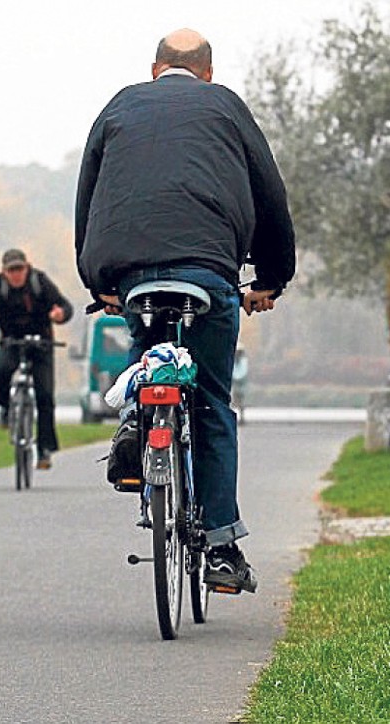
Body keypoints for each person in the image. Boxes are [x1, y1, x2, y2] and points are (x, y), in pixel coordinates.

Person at [74, 29, 295, 593]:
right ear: (208, 73)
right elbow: (269, 194)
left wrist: (98, 278)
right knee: (213, 401)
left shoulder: (119, 106)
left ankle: (135, 425)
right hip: (208, 274)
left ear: (155, 70)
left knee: (149, 358)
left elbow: (90, 193)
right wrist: (271, 278)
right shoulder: (226, 106)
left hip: (130, 272)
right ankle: (221, 547)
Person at [0, 249, 74, 469]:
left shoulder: (40, 282)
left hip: (41, 343)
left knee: (45, 396)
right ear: (4, 272)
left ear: (27, 267)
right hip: (12, 341)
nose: (16, 274)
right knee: (2, 370)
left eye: (19, 269)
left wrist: (60, 315)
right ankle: (4, 407)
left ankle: (44, 451)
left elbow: (65, 306)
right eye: (11, 270)